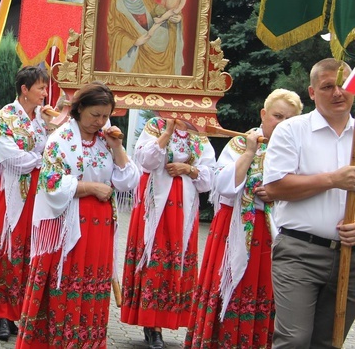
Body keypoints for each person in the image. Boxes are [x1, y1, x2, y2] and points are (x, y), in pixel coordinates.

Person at [16, 82, 140, 347]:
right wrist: (90, 187)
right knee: (66, 286)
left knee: (92, 288)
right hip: (67, 228)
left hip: (99, 229)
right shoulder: (59, 140)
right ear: (80, 108)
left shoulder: (106, 141)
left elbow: (128, 181)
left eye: (106, 116)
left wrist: (117, 147)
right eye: (95, 114)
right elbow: (50, 183)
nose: (100, 121)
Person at [185, 89, 303, 349]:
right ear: (263, 114)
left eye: (289, 119)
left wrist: (276, 194)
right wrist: (249, 153)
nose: (282, 124)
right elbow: (223, 186)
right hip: (233, 227)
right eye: (277, 116)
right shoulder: (240, 143)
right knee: (228, 285)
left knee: (267, 291)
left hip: (274, 232)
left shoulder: (296, 150)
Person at [263, 58, 355, 347]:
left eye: (343, 85)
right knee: (295, 339)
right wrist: (332, 180)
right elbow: (276, 186)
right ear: (312, 92)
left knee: (329, 341)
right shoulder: (292, 131)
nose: (338, 92)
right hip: (300, 252)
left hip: (350, 258)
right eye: (328, 86)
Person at [0, 66, 53, 341]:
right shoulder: (5, 116)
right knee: (7, 250)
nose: (45, 93)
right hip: (10, 195)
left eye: (45, 87)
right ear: (24, 90)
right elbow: (13, 156)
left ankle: (18, 311)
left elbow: (54, 147)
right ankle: (1, 313)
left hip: (36, 196)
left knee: (28, 251)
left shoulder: (42, 118)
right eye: (40, 87)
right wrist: (41, 160)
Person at [120, 116, 215, 349]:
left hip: (183, 205)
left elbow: (209, 178)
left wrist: (189, 169)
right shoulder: (156, 125)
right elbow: (145, 160)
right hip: (154, 206)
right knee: (154, 259)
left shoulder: (198, 133)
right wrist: (167, 133)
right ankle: (152, 326)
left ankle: (164, 320)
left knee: (175, 262)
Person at [106, 0, 184, 75]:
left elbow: (159, 14)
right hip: (135, 54)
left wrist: (175, 20)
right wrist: (133, 41)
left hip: (154, 49)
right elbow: (114, 31)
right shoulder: (115, 2)